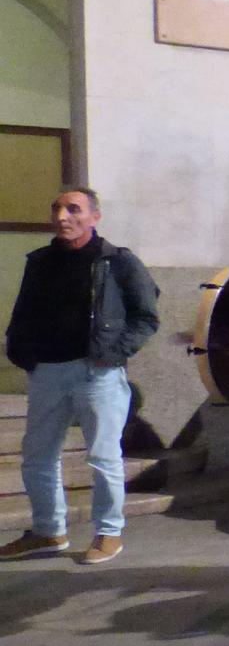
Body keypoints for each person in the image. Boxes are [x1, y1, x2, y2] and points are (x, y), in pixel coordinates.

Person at [0, 188, 159, 566]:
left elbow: (146, 317)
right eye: (57, 209)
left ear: (94, 217)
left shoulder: (117, 262)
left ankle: (108, 532)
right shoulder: (40, 262)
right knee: (38, 456)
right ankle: (47, 531)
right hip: (47, 372)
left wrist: (113, 355)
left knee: (103, 457)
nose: (63, 216)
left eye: (74, 209)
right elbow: (24, 312)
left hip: (97, 373)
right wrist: (21, 351)